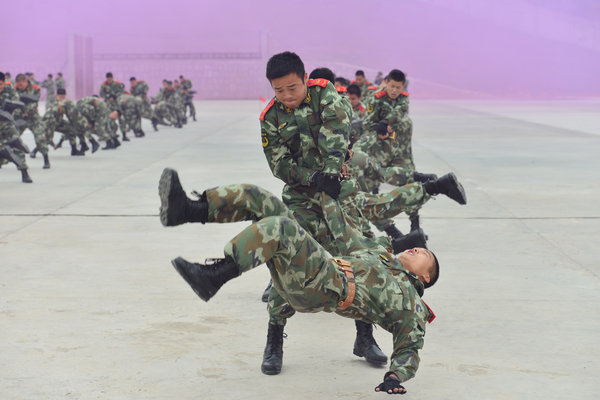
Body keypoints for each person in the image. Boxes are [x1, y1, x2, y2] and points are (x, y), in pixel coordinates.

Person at [158, 168, 440, 396]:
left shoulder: (410, 302)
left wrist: (395, 375)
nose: (416, 249)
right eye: (417, 248)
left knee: (282, 228)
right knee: (260, 198)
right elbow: (342, 232)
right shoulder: (375, 252)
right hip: (318, 270)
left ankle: (214, 277)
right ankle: (186, 210)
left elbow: (410, 345)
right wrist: (329, 193)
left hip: (322, 288)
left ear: (425, 277)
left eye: (424, 254)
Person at [13, 74, 50, 169]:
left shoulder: (35, 89)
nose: (20, 87)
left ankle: (46, 159)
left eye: (21, 85)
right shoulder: (14, 89)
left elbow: (34, 103)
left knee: (39, 138)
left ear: (26, 81)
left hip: (33, 117)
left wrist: (24, 108)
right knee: (12, 138)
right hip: (20, 118)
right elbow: (14, 104)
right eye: (18, 85)